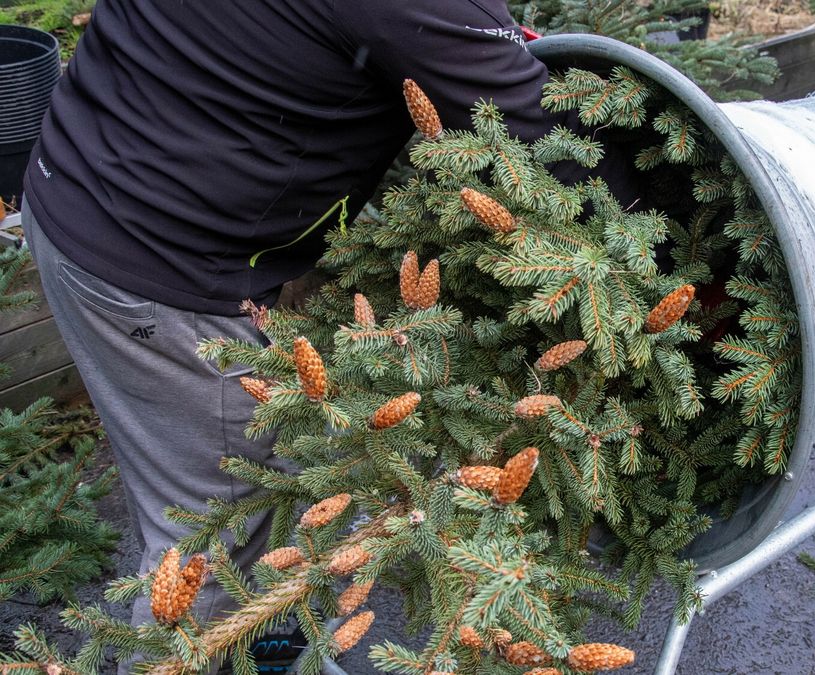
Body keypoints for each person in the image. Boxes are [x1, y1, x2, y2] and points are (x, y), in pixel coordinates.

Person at [21, 1, 633, 671]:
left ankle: (272, 643)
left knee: (274, 462)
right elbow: (537, 139)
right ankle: (190, 656)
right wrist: (650, 234)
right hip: (153, 262)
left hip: (81, 179)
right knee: (224, 529)